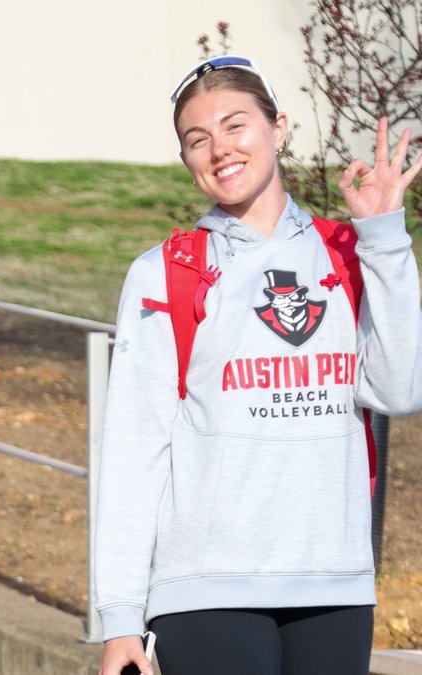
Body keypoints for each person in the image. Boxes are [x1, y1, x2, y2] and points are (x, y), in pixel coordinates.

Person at [94, 55, 422, 675]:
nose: (219, 148)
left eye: (235, 125)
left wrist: (384, 235)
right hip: (204, 588)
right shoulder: (165, 272)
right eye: (197, 138)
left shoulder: (350, 250)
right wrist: (120, 616)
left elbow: (399, 390)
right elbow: (134, 451)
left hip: (334, 580)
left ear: (279, 127)